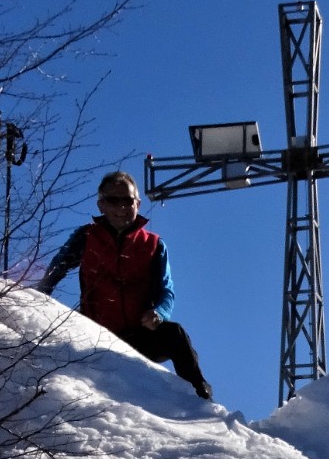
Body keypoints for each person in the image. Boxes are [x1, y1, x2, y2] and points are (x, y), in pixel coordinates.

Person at [37, 171, 213, 400]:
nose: (121, 207)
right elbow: (57, 268)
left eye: (127, 201)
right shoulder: (87, 237)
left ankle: (199, 395)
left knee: (175, 334)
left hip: (139, 336)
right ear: (101, 205)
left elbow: (166, 290)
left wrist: (159, 313)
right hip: (95, 334)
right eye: (113, 200)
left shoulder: (154, 244)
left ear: (137, 204)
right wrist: (39, 298)